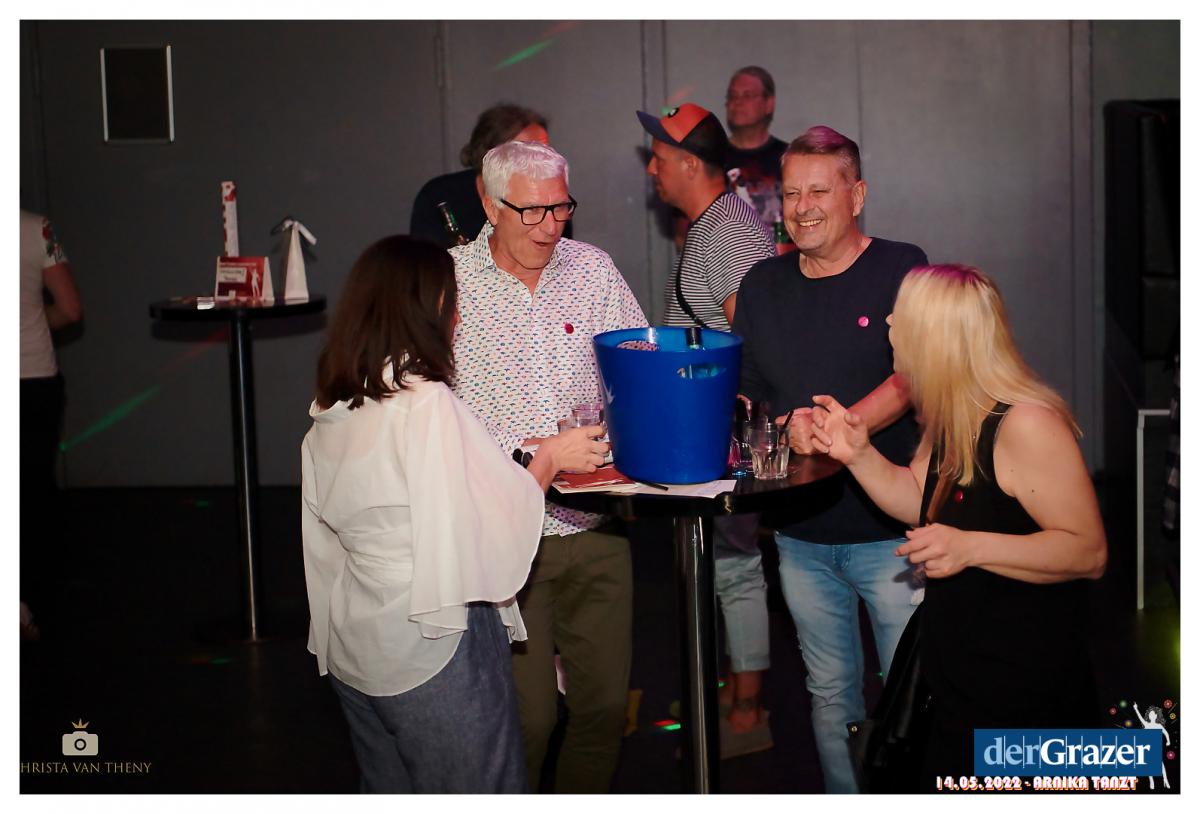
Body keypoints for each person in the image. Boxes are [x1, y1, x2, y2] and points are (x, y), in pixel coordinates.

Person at [300, 235, 609, 793]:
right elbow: (487, 518)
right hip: (433, 640)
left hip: (356, 639)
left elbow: (326, 533)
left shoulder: (334, 404)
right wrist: (549, 459)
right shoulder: (424, 403)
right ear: (425, 306)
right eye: (452, 299)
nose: (459, 315)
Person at [809, 264, 1108, 788]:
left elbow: (1088, 553)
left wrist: (969, 547)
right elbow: (919, 501)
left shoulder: (1025, 423)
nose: (887, 322)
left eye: (900, 315)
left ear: (934, 336)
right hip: (963, 680)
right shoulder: (955, 412)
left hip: (1025, 690)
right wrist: (858, 454)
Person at [449, 140, 648, 793]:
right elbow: (428, 418)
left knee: (603, 711)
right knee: (528, 722)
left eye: (560, 208)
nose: (548, 227)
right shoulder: (449, 284)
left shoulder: (592, 271)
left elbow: (640, 374)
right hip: (506, 539)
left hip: (595, 525)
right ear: (489, 203)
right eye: (530, 211)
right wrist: (533, 450)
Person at [732, 125, 926, 792]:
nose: (803, 207)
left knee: (908, 698)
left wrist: (843, 428)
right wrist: (780, 426)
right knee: (830, 694)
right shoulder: (762, 283)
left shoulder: (902, 267)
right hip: (801, 535)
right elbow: (746, 394)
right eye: (791, 193)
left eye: (819, 191)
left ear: (857, 195)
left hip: (893, 535)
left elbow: (915, 376)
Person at [637, 101, 776, 755]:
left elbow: (759, 341)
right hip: (709, 431)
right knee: (721, 567)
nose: (652, 170)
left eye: (659, 158)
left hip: (728, 434)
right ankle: (733, 688)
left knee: (736, 566)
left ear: (691, 164)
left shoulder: (726, 234)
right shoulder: (713, 226)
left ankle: (748, 709)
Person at [20, 209, 82, 638]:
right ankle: (27, 602)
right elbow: (70, 309)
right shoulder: (33, 228)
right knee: (30, 491)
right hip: (31, 376)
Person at [410, 103, 571, 247]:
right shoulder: (437, 195)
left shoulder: (556, 207)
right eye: (525, 153)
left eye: (546, 151)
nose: (542, 161)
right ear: (490, 154)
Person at [724, 66, 789, 230]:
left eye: (747, 95)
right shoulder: (708, 160)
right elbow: (685, 232)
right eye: (732, 96)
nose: (737, 102)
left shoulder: (791, 159)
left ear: (769, 104)